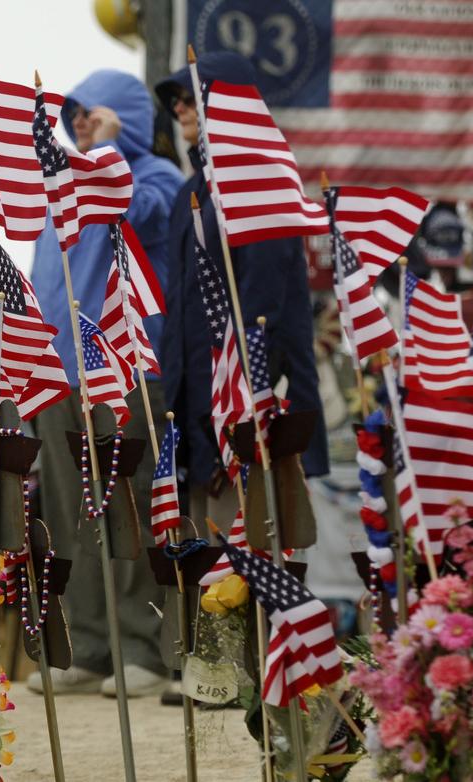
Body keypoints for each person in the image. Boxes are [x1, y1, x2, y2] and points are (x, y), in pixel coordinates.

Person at [154, 52, 328, 689]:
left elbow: (265, 308)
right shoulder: (192, 191)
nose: (180, 109)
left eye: (192, 96)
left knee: (262, 534)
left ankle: (274, 680)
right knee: (213, 538)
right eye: (175, 100)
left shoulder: (260, 176)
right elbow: (183, 309)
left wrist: (249, 395)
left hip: (253, 398)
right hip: (198, 398)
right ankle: (228, 676)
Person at [28, 69, 184, 698]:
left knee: (132, 506)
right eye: (74, 113)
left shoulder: (157, 177)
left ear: (124, 116)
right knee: (71, 515)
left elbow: (133, 209)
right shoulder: (60, 196)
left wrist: (113, 146)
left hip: (127, 371)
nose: (79, 121)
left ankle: (144, 647)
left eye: (91, 111)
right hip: (60, 377)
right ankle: (91, 646)